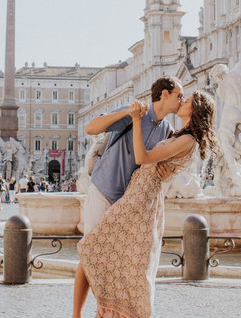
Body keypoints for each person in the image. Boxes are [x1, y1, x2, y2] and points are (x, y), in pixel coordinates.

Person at [76, 91, 216, 318]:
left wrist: (138, 122)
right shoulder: (176, 132)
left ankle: (127, 312)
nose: (182, 101)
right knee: (103, 251)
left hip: (140, 199)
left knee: (114, 256)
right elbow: (92, 128)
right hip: (123, 192)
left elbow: (143, 158)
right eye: (180, 96)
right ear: (165, 95)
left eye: (187, 100)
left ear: (196, 110)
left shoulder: (181, 136)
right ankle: (96, 312)